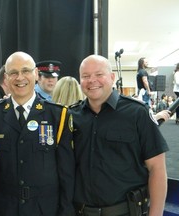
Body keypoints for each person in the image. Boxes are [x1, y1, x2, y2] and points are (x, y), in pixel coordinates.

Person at [71, 55, 169, 216]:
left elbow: (157, 169)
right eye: (85, 76)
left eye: (99, 74)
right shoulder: (72, 116)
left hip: (124, 212)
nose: (92, 80)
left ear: (111, 77)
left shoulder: (137, 113)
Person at [0, 51, 75, 216]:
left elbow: (66, 173)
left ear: (36, 74)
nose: (20, 77)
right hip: (3, 210)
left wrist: (66, 211)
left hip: (45, 210)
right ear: (6, 78)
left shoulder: (58, 116)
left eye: (25, 71)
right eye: (13, 73)